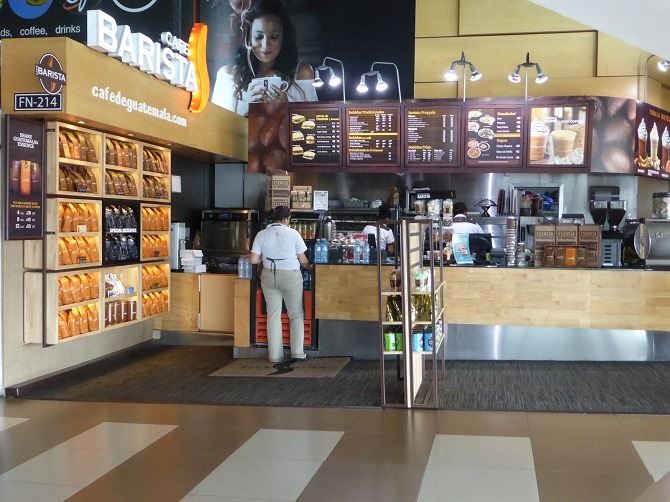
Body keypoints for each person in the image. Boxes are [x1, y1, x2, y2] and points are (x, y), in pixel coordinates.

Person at [211, 0, 318, 116]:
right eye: (258, 37)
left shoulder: (302, 73)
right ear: (248, 38)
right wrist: (247, 109)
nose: (265, 45)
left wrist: (286, 109)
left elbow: (311, 130)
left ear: (284, 37)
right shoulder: (228, 76)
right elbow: (217, 130)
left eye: (274, 37)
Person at [249, 205, 312, 362]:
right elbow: (302, 260)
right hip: (291, 276)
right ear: (286, 219)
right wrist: (310, 267)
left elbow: (253, 260)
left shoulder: (262, 234)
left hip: (269, 276)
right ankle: (297, 352)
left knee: (273, 316)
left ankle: (274, 356)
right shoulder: (293, 233)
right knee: (296, 315)